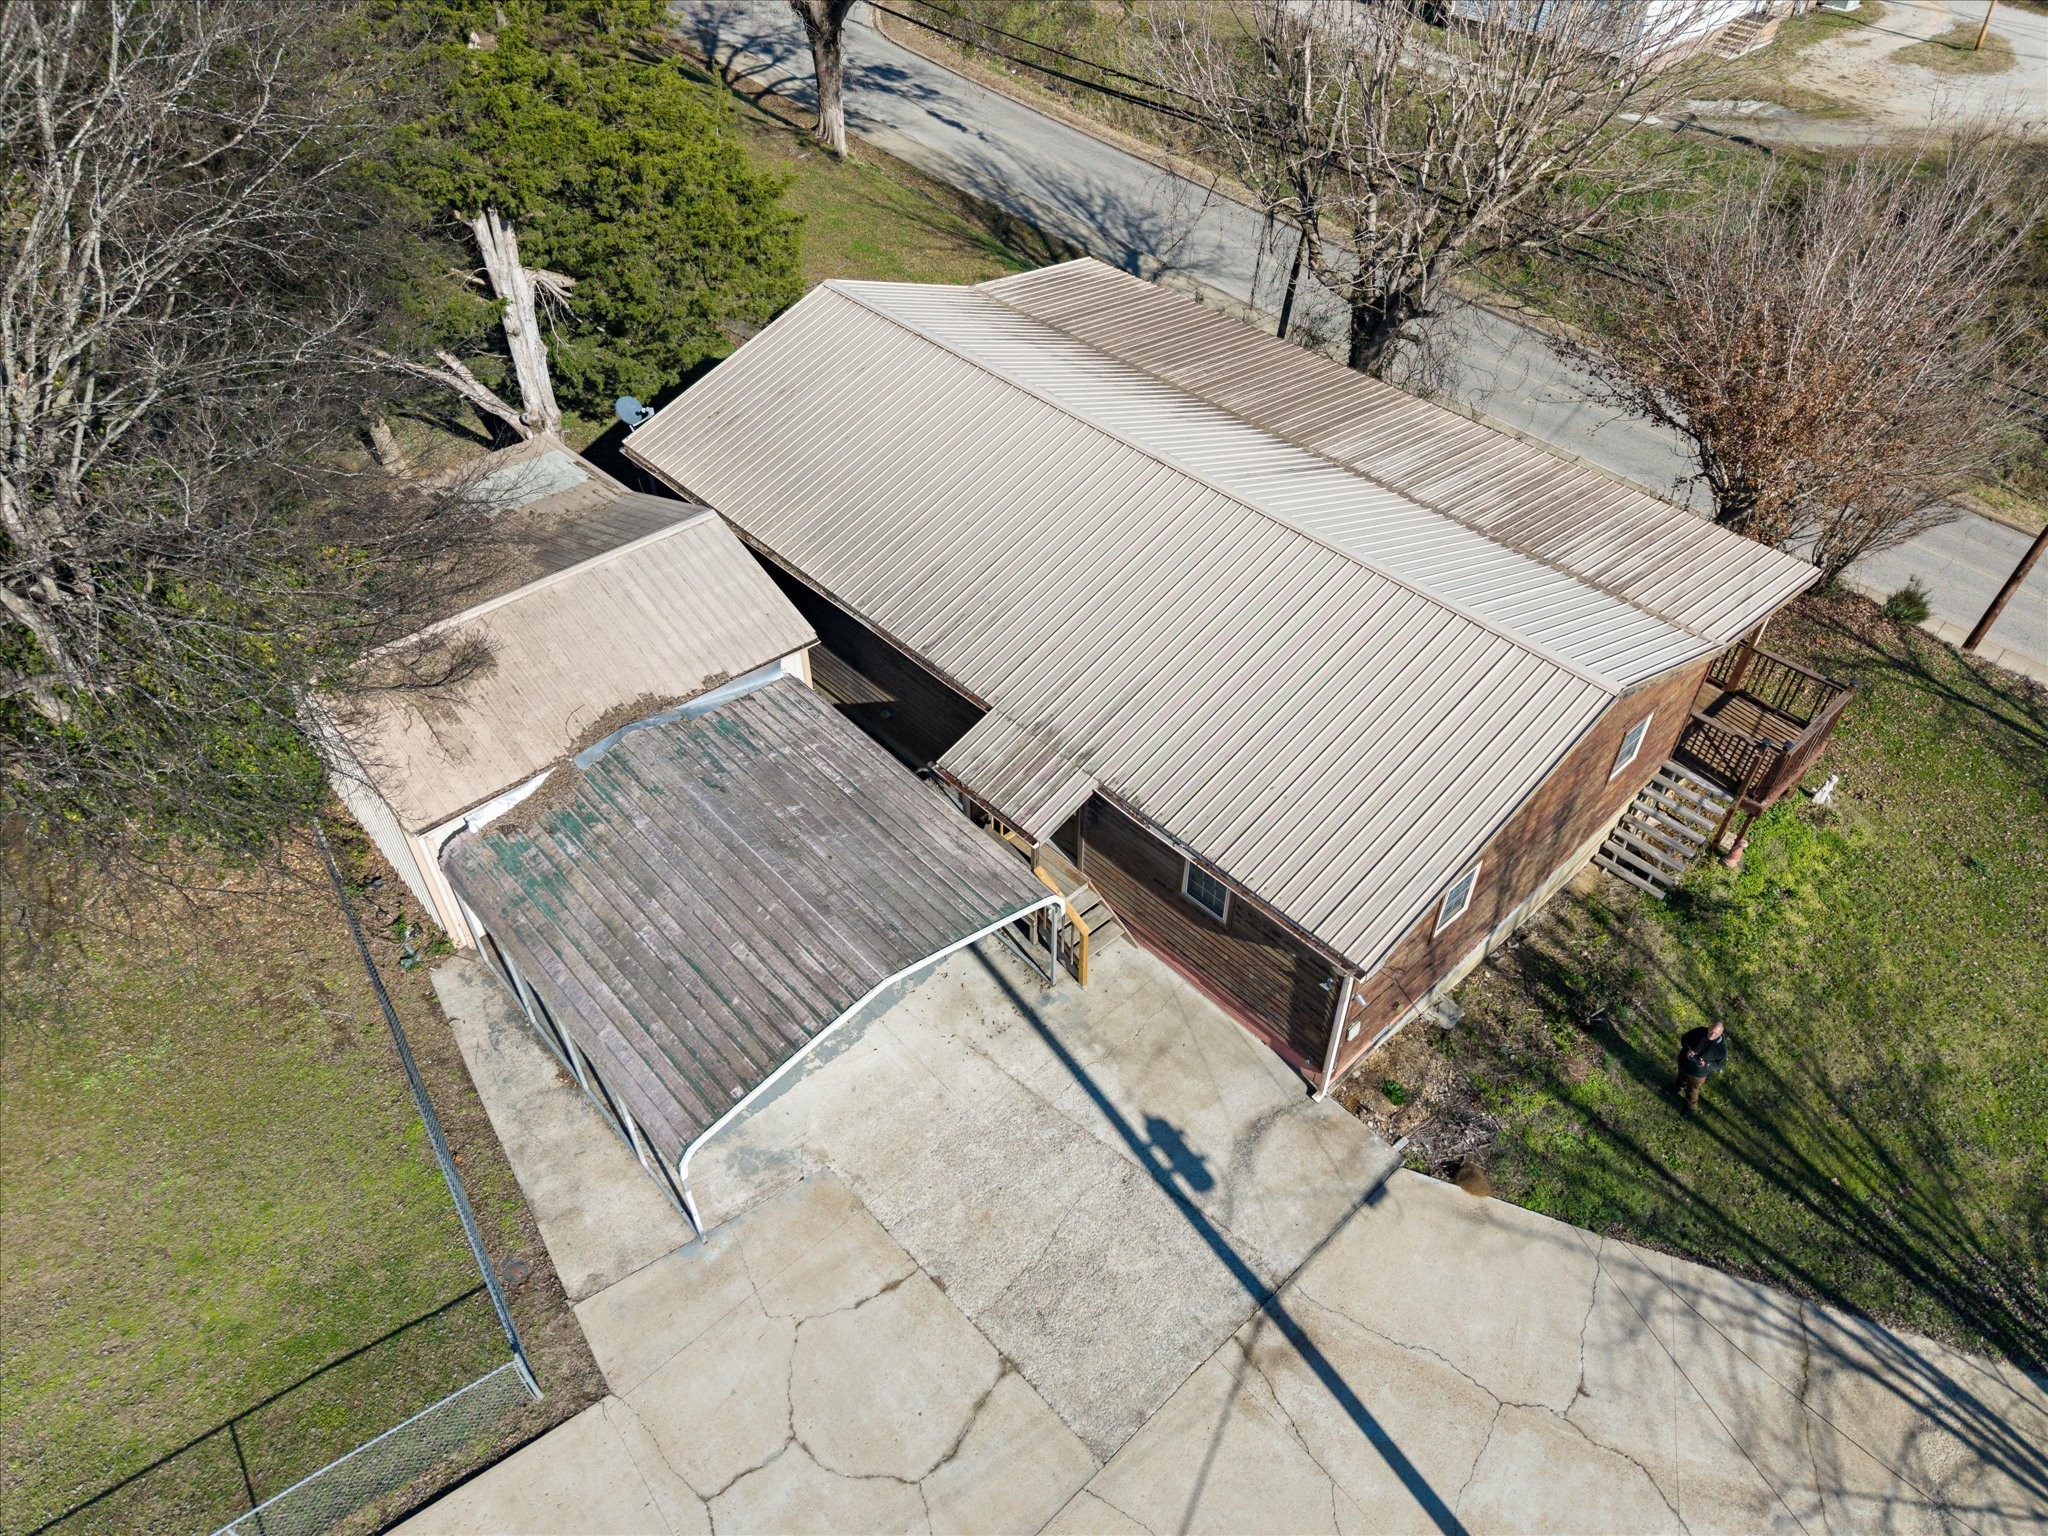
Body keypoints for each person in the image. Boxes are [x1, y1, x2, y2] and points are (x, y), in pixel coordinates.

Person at [1673, 1019, 1729, 1116]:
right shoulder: (1699, 1031)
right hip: (1684, 1063)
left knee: (1692, 1090)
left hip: (1698, 1073)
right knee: (1680, 1077)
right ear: (1709, 1026)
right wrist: (1688, 1050)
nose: (1712, 1034)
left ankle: (1689, 1108)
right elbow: (1684, 1039)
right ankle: (1675, 1088)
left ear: (1721, 1034)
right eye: (1712, 1030)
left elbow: (1720, 1064)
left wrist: (1707, 1064)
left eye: (1716, 1033)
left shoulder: (1721, 1049)